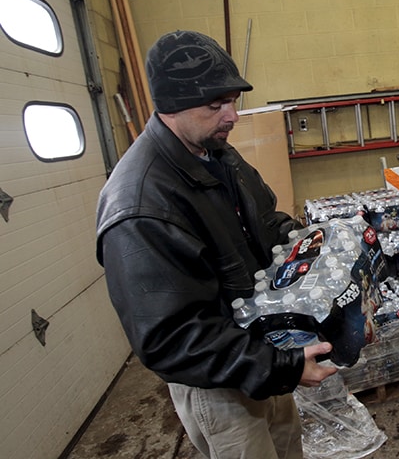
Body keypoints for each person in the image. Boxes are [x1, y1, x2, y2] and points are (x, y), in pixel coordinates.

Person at [96, 30, 338, 459]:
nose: (233, 116)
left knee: (287, 448)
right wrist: (281, 366)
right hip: (221, 384)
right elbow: (171, 339)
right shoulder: (141, 206)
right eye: (216, 105)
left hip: (264, 354)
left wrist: (319, 249)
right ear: (172, 106)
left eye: (232, 101)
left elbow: (265, 223)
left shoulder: (216, 153)